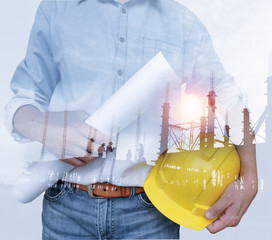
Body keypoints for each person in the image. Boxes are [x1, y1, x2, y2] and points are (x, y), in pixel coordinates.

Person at [5, 0, 257, 239]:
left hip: (148, 212)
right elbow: (26, 97)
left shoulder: (182, 23)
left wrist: (249, 176)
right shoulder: (57, 10)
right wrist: (42, 126)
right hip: (66, 206)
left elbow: (225, 99)